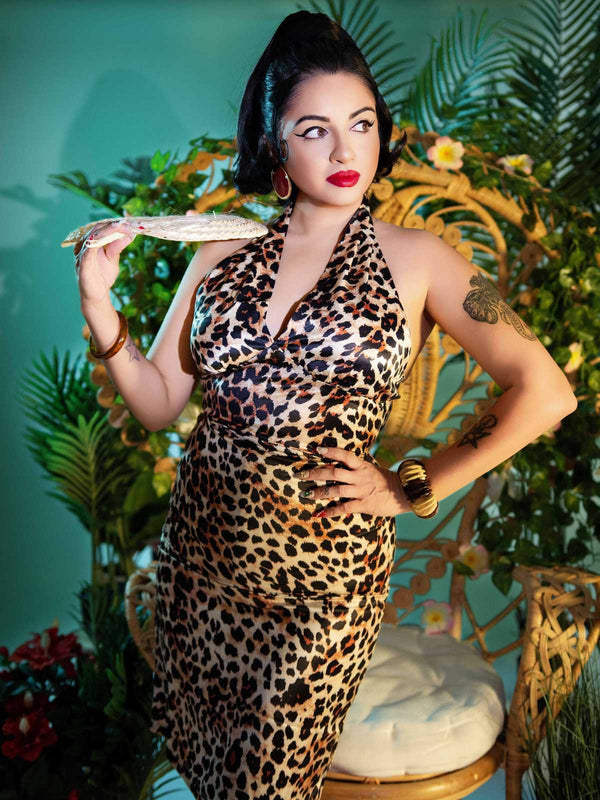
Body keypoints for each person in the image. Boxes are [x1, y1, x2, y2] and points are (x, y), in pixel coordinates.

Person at [72, 9, 577, 800]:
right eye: (315, 130)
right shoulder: (221, 250)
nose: (346, 152)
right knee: (211, 779)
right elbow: (160, 402)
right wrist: (99, 306)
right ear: (274, 144)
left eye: (361, 124)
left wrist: (411, 486)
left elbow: (546, 390)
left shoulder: (419, 258)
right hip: (203, 568)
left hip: (322, 584)